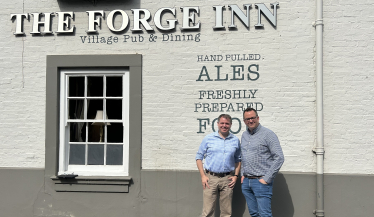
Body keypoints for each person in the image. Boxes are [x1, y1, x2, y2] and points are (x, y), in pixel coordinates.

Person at [240, 108, 284, 217]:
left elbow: (279, 157)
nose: (250, 121)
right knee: (254, 214)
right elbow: (243, 155)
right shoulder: (244, 135)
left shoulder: (268, 134)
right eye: (247, 119)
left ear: (257, 118)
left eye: (253, 118)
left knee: (264, 214)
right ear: (244, 121)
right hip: (246, 182)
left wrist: (266, 179)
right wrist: (242, 174)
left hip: (261, 182)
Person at [196, 114, 241, 217]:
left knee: (226, 213)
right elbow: (198, 157)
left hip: (228, 179)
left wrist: (235, 176)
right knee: (208, 212)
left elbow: (238, 159)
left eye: (227, 123)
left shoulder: (235, 140)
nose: (224, 125)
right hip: (210, 178)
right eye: (222, 123)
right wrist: (203, 176)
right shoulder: (208, 138)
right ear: (217, 124)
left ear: (230, 125)